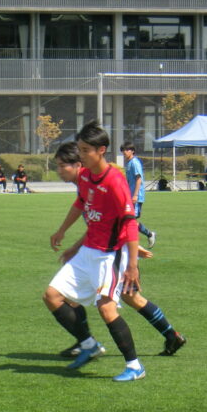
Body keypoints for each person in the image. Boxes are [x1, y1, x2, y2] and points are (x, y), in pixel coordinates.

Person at [53, 142, 186, 358]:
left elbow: (125, 221)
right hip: (107, 248)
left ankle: (91, 344)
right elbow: (97, 225)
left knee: (115, 299)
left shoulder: (100, 181)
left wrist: (132, 251)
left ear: (78, 164)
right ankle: (171, 336)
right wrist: (73, 245)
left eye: (62, 166)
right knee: (130, 297)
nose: (58, 171)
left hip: (115, 251)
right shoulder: (86, 184)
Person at [44, 120, 145, 382]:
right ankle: (89, 345)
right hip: (88, 250)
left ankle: (135, 366)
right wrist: (62, 230)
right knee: (52, 296)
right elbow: (80, 203)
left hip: (110, 254)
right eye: (79, 149)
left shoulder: (115, 181)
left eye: (85, 150)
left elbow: (129, 223)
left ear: (101, 150)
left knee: (106, 308)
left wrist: (132, 264)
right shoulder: (86, 176)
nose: (81, 155)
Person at [120, 142, 155, 248]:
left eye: (127, 150)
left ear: (132, 151)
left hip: (136, 196)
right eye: (123, 150)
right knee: (128, 220)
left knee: (130, 221)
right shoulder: (129, 163)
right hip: (130, 196)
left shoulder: (134, 163)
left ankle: (144, 237)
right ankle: (145, 236)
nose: (124, 152)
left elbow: (138, 179)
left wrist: (135, 195)